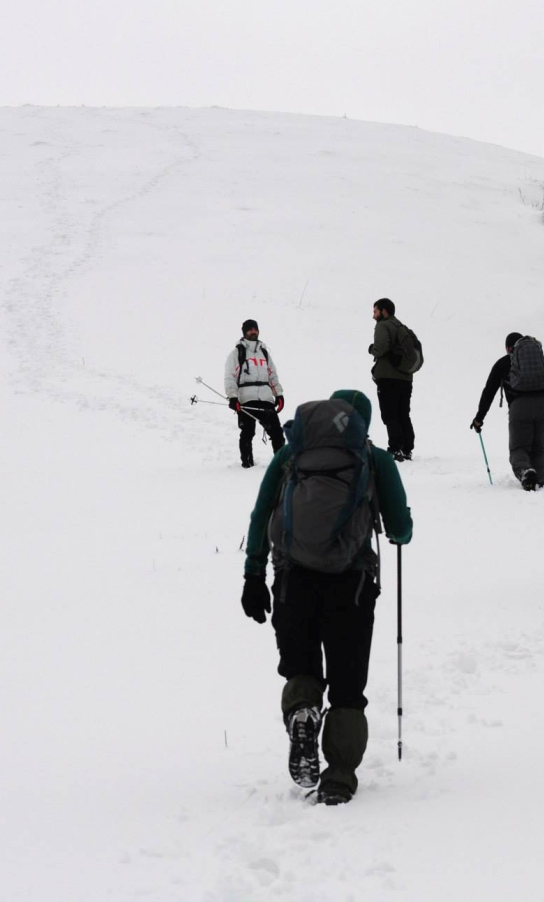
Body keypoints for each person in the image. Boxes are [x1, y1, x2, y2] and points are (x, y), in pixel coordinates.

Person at [240, 389, 413, 806]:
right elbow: (400, 529)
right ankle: (338, 777)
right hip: (350, 586)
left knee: (301, 668)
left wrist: (253, 575)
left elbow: (262, 513)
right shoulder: (375, 460)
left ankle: (303, 712)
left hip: (291, 581)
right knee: (348, 687)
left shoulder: (293, 455)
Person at [470, 332, 544, 491]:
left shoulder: (503, 363)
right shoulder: (540, 361)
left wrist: (479, 418)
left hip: (520, 407)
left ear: (509, 348)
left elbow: (489, 391)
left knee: (519, 448)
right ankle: (540, 480)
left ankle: (526, 473)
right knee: (538, 447)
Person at [224, 319, 285, 468]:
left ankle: (282, 464)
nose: (253, 331)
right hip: (246, 398)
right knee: (247, 432)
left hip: (265, 397)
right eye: (250, 329)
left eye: (255, 329)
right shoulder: (237, 353)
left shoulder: (264, 353)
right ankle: (247, 464)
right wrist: (233, 397)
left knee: (276, 432)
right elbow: (230, 377)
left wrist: (279, 394)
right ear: (244, 332)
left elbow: (272, 375)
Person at [367, 298, 415, 460]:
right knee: (403, 413)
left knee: (390, 414)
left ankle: (396, 448)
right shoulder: (401, 327)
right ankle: (407, 448)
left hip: (388, 377)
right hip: (406, 378)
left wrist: (371, 349)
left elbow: (380, 348)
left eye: (375, 311)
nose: (373, 315)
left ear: (384, 311)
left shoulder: (383, 326)